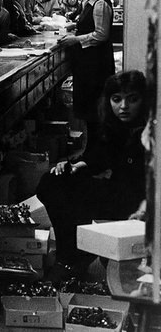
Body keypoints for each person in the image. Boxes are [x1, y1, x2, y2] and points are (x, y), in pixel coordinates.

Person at [37, 70, 148, 281]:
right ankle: (72, 254)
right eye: (117, 99)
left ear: (143, 100)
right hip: (118, 193)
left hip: (138, 204)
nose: (123, 107)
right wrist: (76, 165)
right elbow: (100, 155)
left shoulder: (150, 130)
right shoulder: (114, 124)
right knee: (52, 181)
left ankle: (74, 256)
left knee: (71, 193)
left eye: (132, 99)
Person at [57, 0, 115, 140]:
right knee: (88, 107)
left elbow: (101, 34)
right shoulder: (88, 2)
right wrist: (74, 26)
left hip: (96, 63)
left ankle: (94, 153)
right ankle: (90, 151)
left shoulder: (100, 4)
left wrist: (75, 39)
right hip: (87, 62)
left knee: (94, 108)